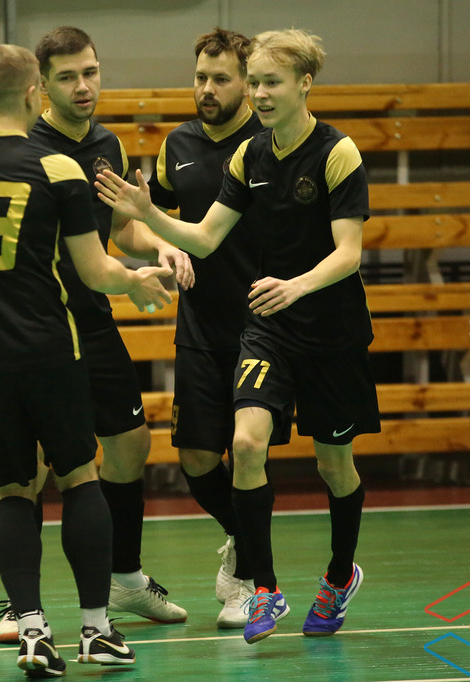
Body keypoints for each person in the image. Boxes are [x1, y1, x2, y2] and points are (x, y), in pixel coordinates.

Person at [96, 29, 380, 645]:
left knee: (335, 466)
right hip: (268, 330)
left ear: (305, 83)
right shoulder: (248, 158)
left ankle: (339, 575)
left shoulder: (337, 152)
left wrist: (296, 286)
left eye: (270, 82)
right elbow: (203, 238)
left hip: (331, 333)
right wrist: (148, 213)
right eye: (255, 83)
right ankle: (265, 588)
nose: (260, 93)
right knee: (246, 445)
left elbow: (349, 253)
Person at [0, 44, 172, 675]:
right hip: (52, 350)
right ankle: (96, 631)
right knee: (79, 477)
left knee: (12, 491)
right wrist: (135, 281)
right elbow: (95, 269)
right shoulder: (56, 167)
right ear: (34, 93)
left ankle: (31, 631)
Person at [25, 25, 192, 627]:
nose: (83, 86)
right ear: (42, 85)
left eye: (90, 72)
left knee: (130, 444)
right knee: (36, 463)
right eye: (68, 77)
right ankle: (22, 601)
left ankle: (125, 579)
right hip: (37, 327)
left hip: (92, 321)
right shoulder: (26, 147)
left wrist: (160, 243)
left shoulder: (109, 147)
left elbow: (121, 227)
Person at [145, 27, 290, 630]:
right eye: (201, 77)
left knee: (249, 451)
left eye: (221, 79)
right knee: (197, 459)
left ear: (247, 84)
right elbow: (141, 221)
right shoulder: (176, 145)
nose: (207, 89)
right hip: (200, 326)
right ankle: (244, 537)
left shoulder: (272, 144)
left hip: (266, 327)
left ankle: (251, 582)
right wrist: (160, 246)